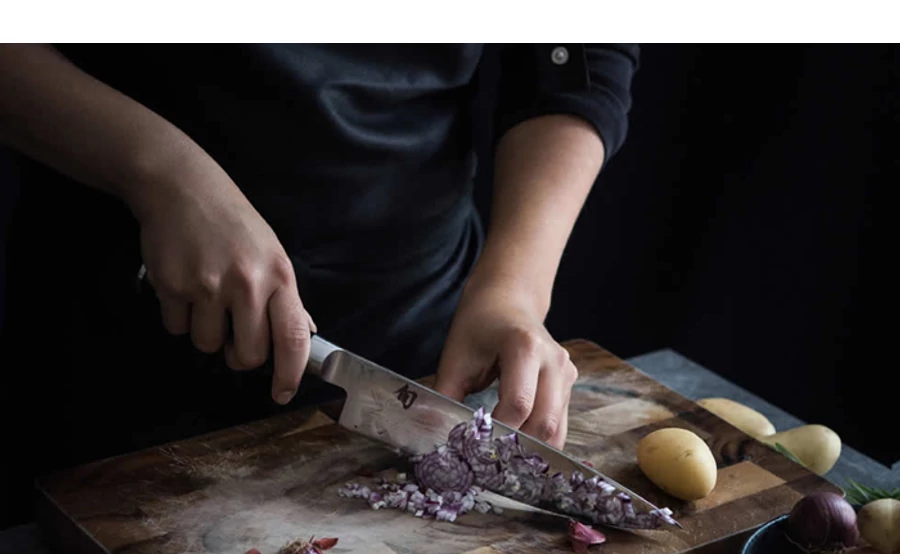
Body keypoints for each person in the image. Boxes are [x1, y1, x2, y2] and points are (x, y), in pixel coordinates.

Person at [0, 43, 638, 527]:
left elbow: (579, 50)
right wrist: (160, 174)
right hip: (119, 348)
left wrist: (513, 290)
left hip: (422, 330)